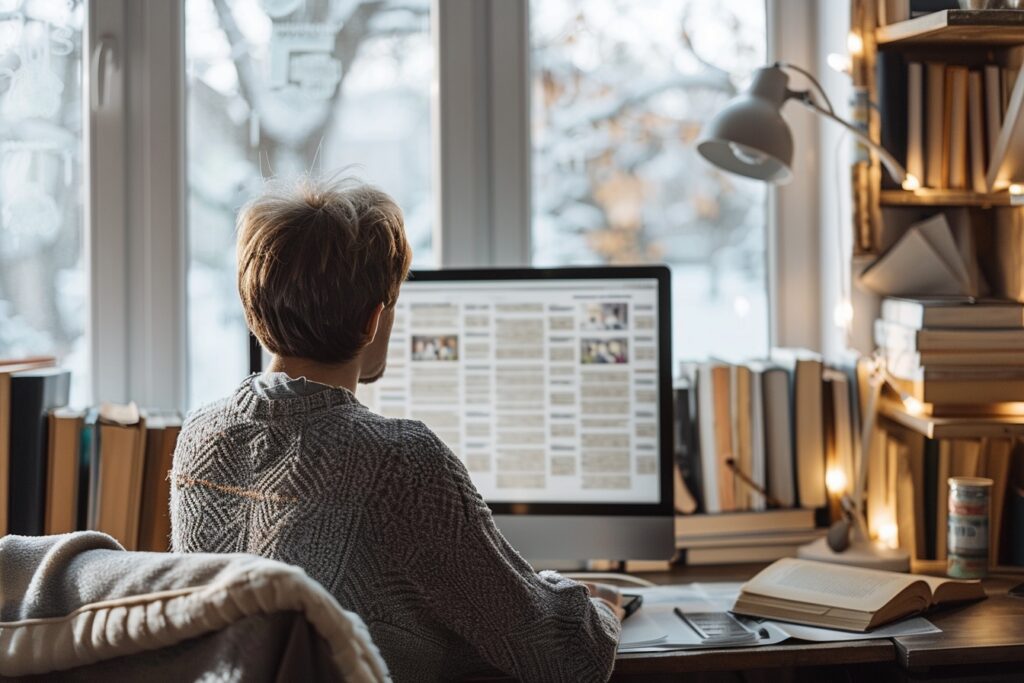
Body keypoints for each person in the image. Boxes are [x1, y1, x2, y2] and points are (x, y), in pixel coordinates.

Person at [170, 177, 622, 683]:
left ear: (252, 312)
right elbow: (565, 659)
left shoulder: (199, 437)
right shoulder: (401, 462)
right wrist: (597, 607)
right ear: (373, 319)